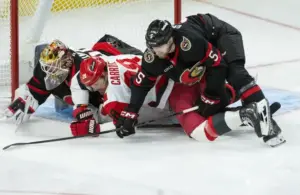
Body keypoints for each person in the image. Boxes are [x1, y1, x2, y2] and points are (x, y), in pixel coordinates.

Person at [114, 14, 285, 147]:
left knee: (236, 74)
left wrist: (210, 95)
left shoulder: (189, 43)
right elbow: (141, 84)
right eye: (151, 46)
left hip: (219, 34)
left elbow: (218, 66)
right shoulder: (152, 57)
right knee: (208, 107)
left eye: (159, 46)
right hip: (206, 50)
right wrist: (131, 112)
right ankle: (250, 112)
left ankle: (268, 122)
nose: (155, 51)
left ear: (170, 39)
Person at [4, 34, 142, 125]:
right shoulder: (50, 67)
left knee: (106, 45)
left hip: (110, 65)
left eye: (53, 68)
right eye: (47, 67)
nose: (49, 73)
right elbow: (36, 86)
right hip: (83, 84)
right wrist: (26, 96)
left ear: (67, 62)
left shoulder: (85, 74)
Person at [69, 55, 175, 137]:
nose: (93, 89)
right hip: (171, 72)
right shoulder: (106, 61)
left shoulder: (113, 98)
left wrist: (93, 128)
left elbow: (126, 125)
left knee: (104, 114)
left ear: (103, 74)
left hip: (168, 98)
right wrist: (80, 106)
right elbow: (78, 79)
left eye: (95, 84)